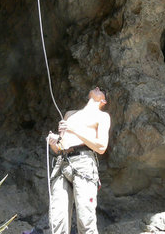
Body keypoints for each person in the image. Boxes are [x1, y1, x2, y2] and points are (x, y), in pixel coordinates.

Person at [46, 87, 111, 234]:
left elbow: (101, 147)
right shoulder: (70, 114)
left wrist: (74, 129)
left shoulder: (102, 116)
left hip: (84, 163)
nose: (97, 87)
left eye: (101, 90)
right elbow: (59, 146)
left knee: (85, 218)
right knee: (57, 219)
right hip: (62, 162)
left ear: (103, 100)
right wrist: (53, 142)